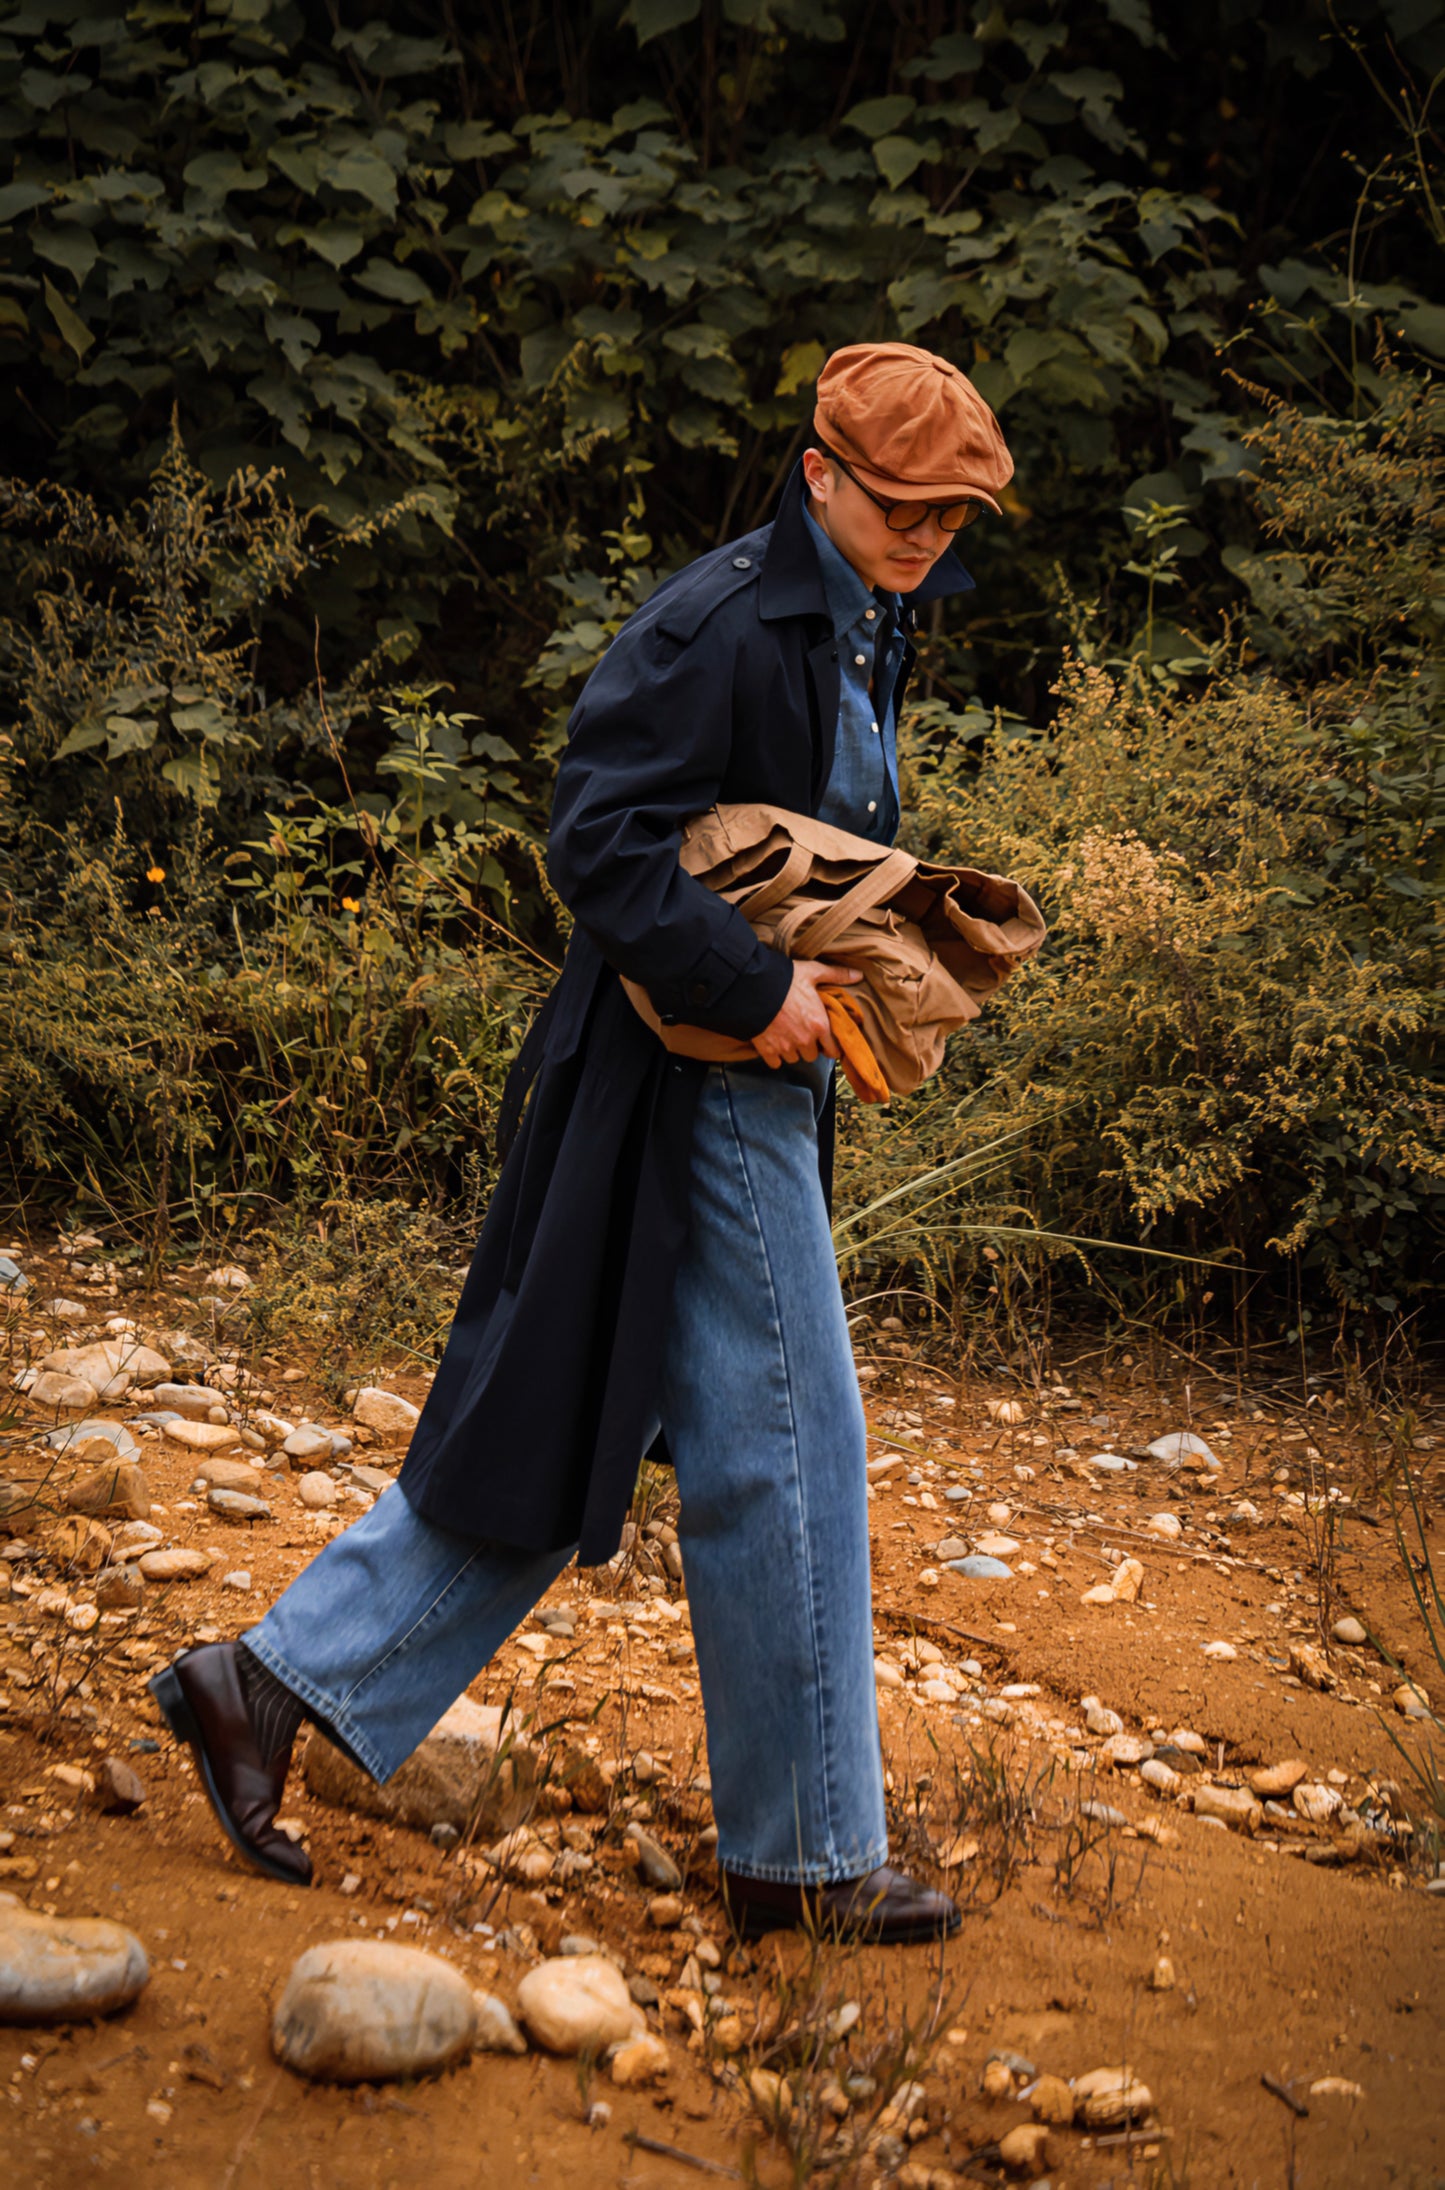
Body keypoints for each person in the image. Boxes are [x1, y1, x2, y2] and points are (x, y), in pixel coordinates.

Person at [151, 341, 1015, 1944]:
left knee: (567, 1427)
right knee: (794, 1450)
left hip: (744, 1081)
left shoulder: (875, 610)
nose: (928, 539)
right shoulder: (715, 624)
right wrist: (753, 981)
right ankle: (809, 1861)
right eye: (904, 509)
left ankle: (260, 1686)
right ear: (818, 471)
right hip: (684, 1089)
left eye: (953, 518)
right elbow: (594, 834)